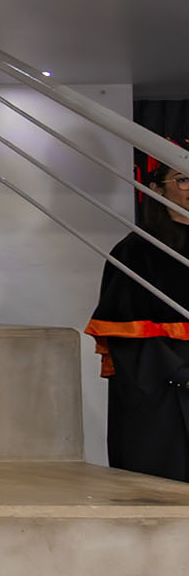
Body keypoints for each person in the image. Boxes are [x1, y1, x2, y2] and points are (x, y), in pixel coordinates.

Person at [86, 143, 189, 481]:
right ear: (156, 188)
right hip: (164, 385)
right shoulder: (136, 252)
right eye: (183, 179)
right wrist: (181, 373)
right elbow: (124, 334)